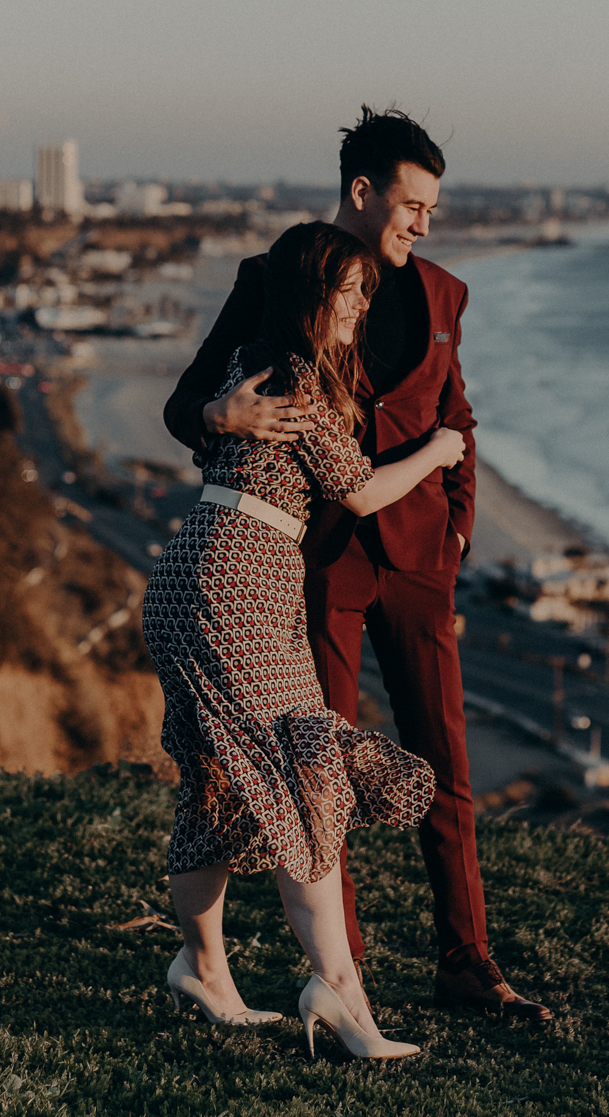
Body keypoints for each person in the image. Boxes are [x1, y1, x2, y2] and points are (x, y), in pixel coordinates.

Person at [163, 107, 550, 1021]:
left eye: (433, 208)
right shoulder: (274, 278)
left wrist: (455, 537)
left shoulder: (446, 293)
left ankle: (468, 963)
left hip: (418, 561)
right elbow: (187, 402)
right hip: (315, 567)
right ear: (362, 191)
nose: (425, 223)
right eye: (412, 205)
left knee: (444, 762)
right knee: (321, 773)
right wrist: (223, 420)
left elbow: (460, 418)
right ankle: (346, 981)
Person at [145, 221, 467, 1060]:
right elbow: (359, 495)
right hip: (236, 584)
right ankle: (339, 991)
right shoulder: (296, 382)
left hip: (215, 570)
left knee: (215, 784)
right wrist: (438, 451)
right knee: (303, 773)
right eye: (351, 291)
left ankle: (203, 968)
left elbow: (203, 422)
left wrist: (218, 413)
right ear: (314, 293)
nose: (362, 306)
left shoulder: (258, 362)